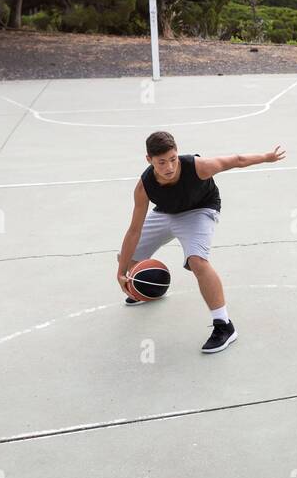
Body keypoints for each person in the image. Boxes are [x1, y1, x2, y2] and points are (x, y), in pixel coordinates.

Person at [117, 130, 286, 353]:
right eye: (161, 162)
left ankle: (224, 325)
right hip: (166, 212)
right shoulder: (144, 186)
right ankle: (145, 287)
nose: (169, 167)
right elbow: (133, 231)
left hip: (199, 210)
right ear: (149, 160)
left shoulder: (198, 167)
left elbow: (237, 160)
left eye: (173, 159)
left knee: (197, 261)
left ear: (177, 154)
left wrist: (267, 157)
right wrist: (121, 272)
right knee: (128, 258)